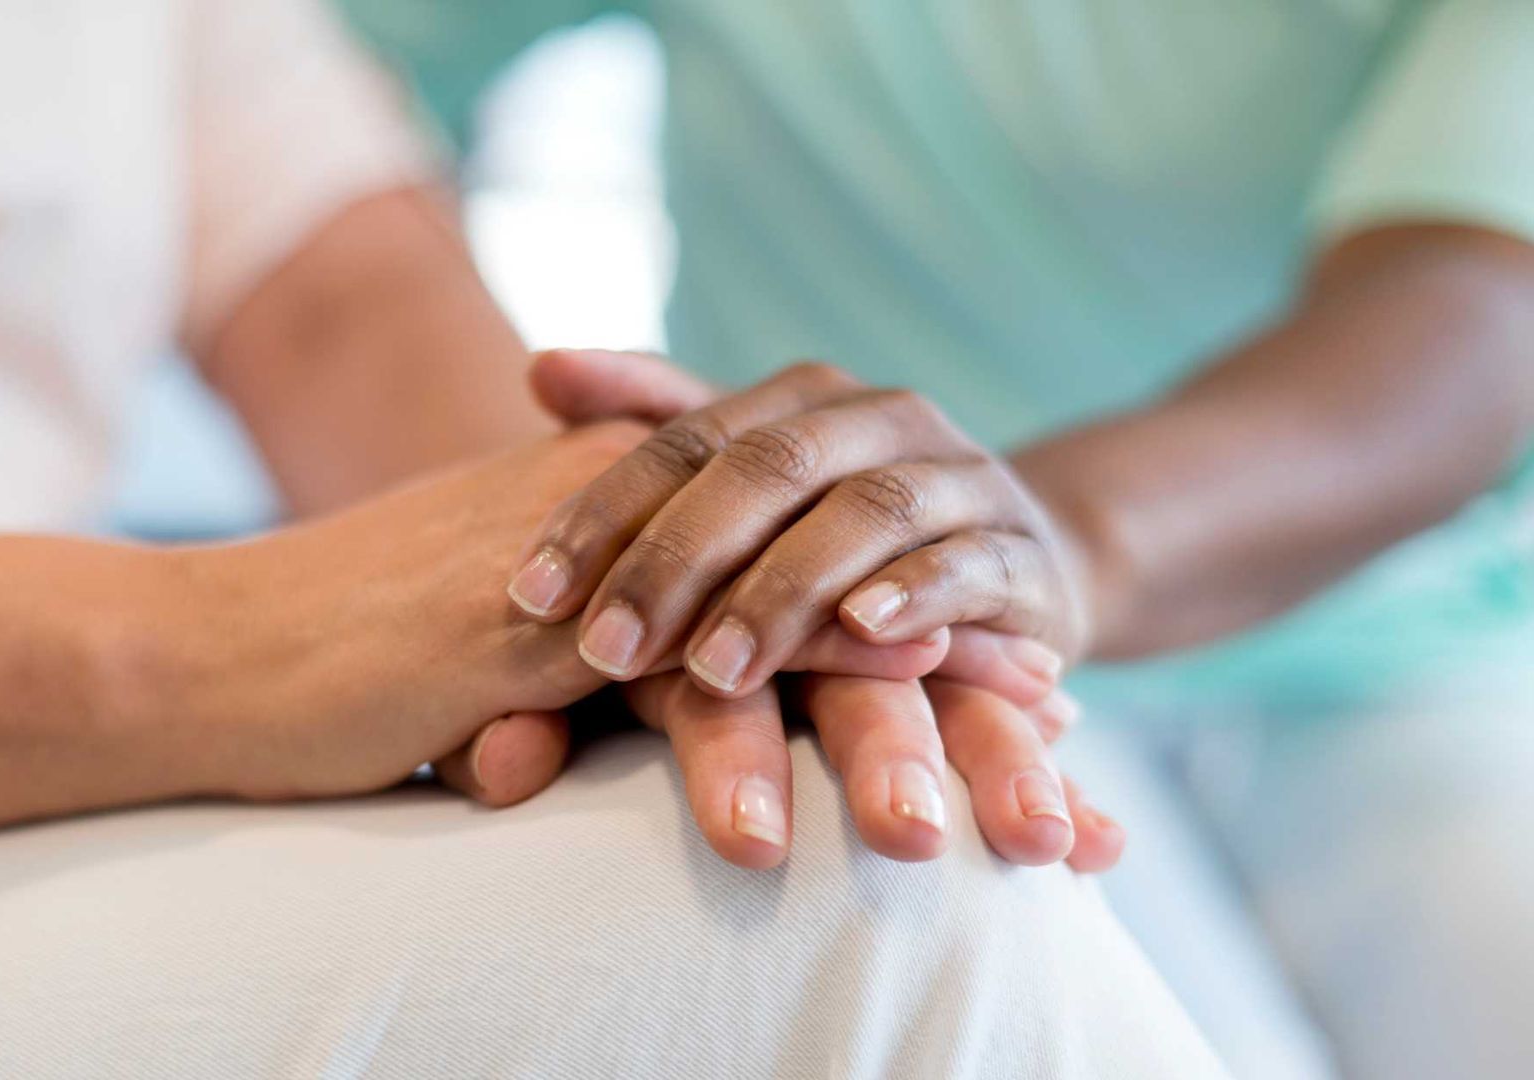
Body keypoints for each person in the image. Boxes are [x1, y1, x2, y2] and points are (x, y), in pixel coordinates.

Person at [0, 3, 1223, 1077]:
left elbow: (326, 275)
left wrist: (663, 565)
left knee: (875, 825)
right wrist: (243, 641)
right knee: (875, 929)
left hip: (4, 795)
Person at [337, 2, 1534, 1078]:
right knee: (1012, 990)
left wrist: (1057, 541)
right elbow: (307, 145)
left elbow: (1474, 312)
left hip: (1391, 649)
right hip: (860, 644)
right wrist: (566, 518)